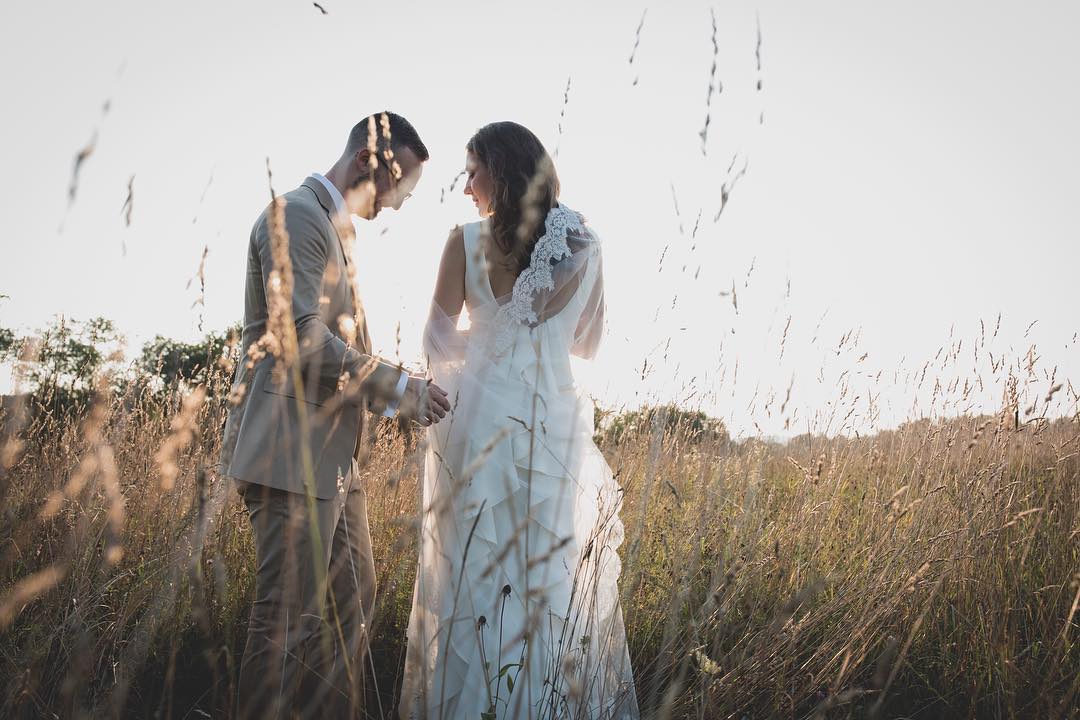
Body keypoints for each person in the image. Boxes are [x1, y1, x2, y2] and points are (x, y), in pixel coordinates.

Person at [400, 121, 638, 719]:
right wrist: (538, 332)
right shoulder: (585, 245)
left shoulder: (464, 240)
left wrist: (486, 340)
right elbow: (588, 345)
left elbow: (434, 341)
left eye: (472, 172)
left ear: (500, 172)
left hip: (478, 429)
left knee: (474, 579)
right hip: (551, 430)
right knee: (548, 583)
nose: (465, 188)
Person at [220, 111, 451, 719]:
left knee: (353, 602)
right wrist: (398, 386)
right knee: (285, 617)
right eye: (399, 190)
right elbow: (297, 336)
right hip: (289, 452)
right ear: (368, 164)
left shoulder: (331, 228)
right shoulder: (295, 216)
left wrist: (399, 391)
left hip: (331, 463)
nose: (398, 206)